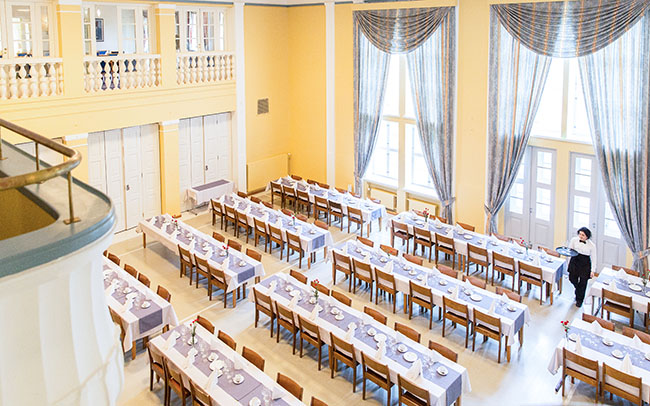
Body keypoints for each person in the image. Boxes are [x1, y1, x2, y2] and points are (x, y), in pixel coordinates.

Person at [567, 227, 596, 307]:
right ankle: (578, 290)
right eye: (580, 234)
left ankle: (579, 300)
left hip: (585, 263)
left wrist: (592, 270)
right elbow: (570, 251)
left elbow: (594, 258)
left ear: (587, 236)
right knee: (572, 278)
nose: (581, 236)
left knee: (583, 283)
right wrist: (568, 263)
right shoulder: (574, 240)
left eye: (583, 235)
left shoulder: (592, 245)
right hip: (575, 260)